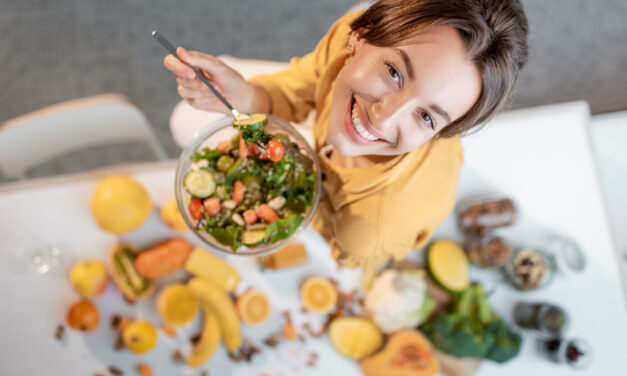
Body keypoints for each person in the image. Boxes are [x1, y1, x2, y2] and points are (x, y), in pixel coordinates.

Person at [163, 0, 529, 268]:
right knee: (183, 119)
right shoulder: (346, 34)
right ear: (360, 34)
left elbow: (343, 250)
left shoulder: (369, 228)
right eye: (394, 72)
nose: (383, 121)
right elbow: (300, 87)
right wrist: (245, 95)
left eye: (427, 117)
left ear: (446, 131)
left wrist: (301, 199)